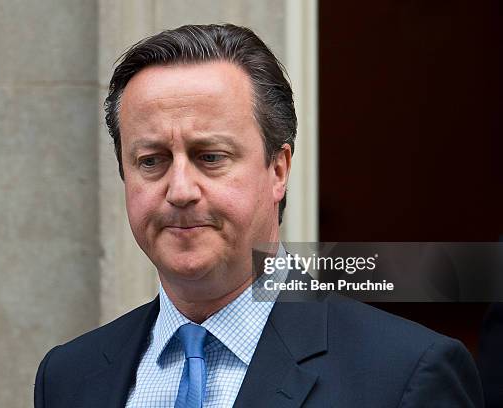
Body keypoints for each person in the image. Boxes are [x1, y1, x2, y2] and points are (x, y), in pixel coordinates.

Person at [34, 24, 483, 407]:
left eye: (210, 156)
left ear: (278, 170)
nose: (180, 190)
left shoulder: (403, 375)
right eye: (151, 160)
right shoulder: (69, 377)